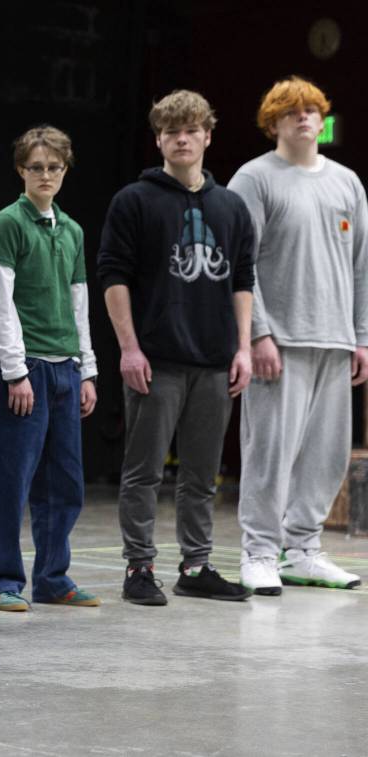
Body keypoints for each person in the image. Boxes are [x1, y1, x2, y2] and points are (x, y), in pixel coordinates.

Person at [97, 90, 255, 605]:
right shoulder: (134, 201)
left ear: (208, 135)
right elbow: (113, 277)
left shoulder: (231, 206)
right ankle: (139, 567)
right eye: (171, 131)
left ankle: (197, 564)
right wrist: (129, 349)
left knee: (200, 475)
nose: (181, 138)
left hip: (213, 361)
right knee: (143, 471)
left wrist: (244, 348)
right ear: (159, 138)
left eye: (191, 129)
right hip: (156, 362)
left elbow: (242, 281)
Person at [228, 76, 367, 594]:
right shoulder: (254, 178)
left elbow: (362, 267)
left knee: (326, 455)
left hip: (334, 340)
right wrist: (258, 333)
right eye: (292, 112)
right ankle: (260, 552)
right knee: (269, 452)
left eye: (312, 110)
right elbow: (241, 266)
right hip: (279, 342)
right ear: (274, 123)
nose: (305, 118)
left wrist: (362, 336)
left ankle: (302, 550)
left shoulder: (347, 182)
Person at [0, 125, 99, 612]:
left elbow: (79, 302)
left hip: (66, 368)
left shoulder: (72, 230)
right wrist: (13, 370)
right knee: (10, 479)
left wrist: (87, 369)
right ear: (21, 170)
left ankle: (54, 576)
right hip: (24, 369)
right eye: (35, 167)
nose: (45, 175)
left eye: (53, 167)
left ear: (64, 170)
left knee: (64, 482)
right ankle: (1, 580)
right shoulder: (8, 223)